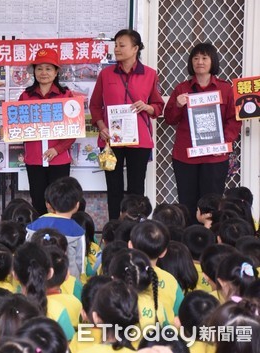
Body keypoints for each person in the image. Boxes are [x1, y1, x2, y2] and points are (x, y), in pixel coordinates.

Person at [90, 29, 164, 221]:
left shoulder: (150, 74)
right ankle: (115, 228)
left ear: (135, 48)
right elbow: (95, 105)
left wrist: (147, 107)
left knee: (136, 189)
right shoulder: (105, 75)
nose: (117, 49)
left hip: (139, 141)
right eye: (115, 45)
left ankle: (136, 229)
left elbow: (158, 107)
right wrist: (101, 126)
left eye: (122, 45)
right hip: (110, 141)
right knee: (113, 188)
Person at [164, 43, 242, 226]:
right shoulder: (181, 89)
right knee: (187, 203)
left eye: (205, 58)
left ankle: (211, 243)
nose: (200, 62)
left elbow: (234, 119)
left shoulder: (225, 88)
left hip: (214, 156)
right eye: (196, 58)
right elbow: (169, 119)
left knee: (212, 203)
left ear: (212, 61)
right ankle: (190, 243)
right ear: (191, 62)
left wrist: (224, 142)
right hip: (186, 155)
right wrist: (177, 105)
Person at [19, 48, 76, 215]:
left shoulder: (66, 95)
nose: (43, 73)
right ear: (34, 71)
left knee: (60, 201)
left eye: (48, 68)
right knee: (38, 200)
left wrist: (56, 149)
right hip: (34, 159)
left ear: (56, 71)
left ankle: (60, 238)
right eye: (39, 68)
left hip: (58, 159)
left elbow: (73, 130)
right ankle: (40, 237)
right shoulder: (25, 96)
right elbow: (19, 128)